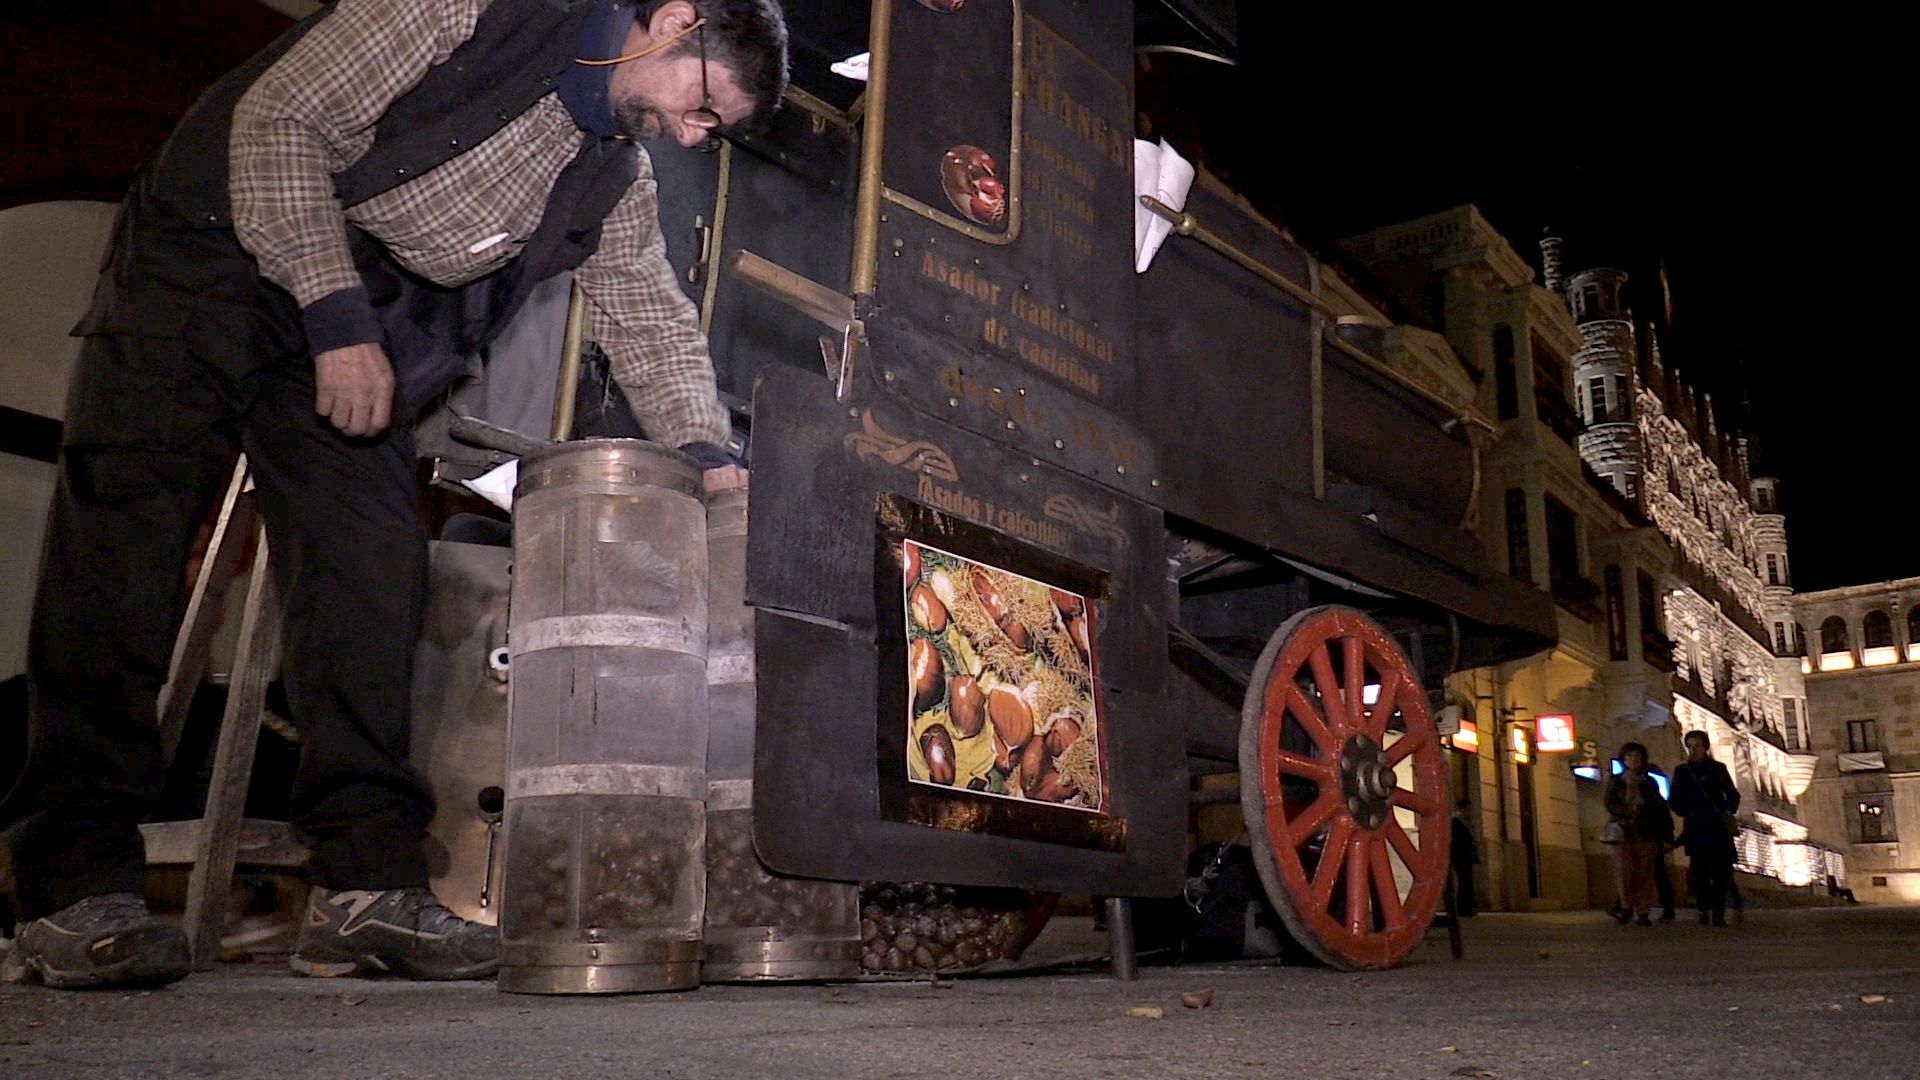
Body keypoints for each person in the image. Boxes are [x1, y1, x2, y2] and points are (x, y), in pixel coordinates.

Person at [1, 0, 787, 990]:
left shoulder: (609, 176)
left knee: (373, 577)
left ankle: (365, 891)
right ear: (675, 18)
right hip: (211, 253)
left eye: (709, 130)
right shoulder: (472, 8)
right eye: (702, 105)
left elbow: (652, 321)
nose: (688, 135)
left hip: (346, 313)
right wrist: (334, 316)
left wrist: (710, 457)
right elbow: (282, 121)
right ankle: (69, 885)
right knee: (125, 538)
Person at [1670, 730, 1740, 926]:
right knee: (1699, 871)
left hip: (1717, 826)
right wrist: (1688, 811)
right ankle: (1703, 909)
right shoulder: (1682, 771)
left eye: (1698, 746)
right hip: (1696, 827)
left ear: (1706, 747)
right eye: (1690, 746)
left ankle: (1717, 912)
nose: (1694, 750)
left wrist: (1727, 810)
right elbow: (1674, 799)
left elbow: (1732, 794)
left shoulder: (1718, 769)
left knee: (1721, 872)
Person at [1602, 742, 1670, 926]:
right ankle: (1625, 906)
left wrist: (1644, 812)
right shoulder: (1616, 781)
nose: (1634, 760)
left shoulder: (1649, 782)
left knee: (1644, 872)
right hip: (1622, 831)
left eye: (1638, 756)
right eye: (1630, 756)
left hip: (1646, 830)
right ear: (1624, 759)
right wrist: (1627, 812)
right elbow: (1610, 803)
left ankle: (1643, 911)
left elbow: (1658, 806)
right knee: (1623, 870)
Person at [1450, 798, 1479, 917]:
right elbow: (1458, 839)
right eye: (1468, 809)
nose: (1470, 811)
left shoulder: (1465, 821)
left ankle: (1467, 908)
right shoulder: (1456, 821)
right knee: (1464, 882)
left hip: (1465, 855)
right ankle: (1463, 908)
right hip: (1460, 855)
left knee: (1466, 882)